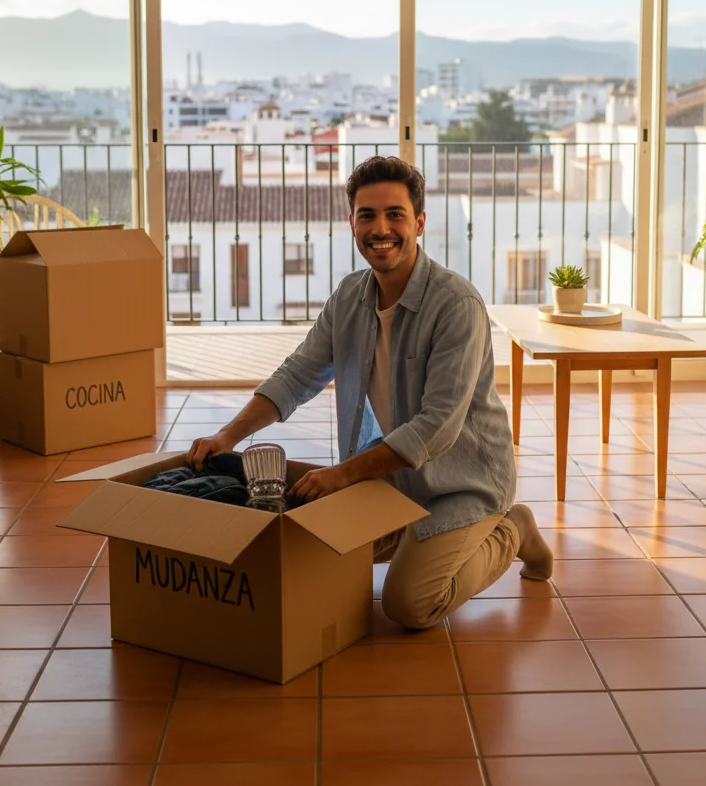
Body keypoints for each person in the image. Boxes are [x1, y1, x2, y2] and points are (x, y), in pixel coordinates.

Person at [188, 155, 553, 630]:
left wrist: (342, 475)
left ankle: (511, 529)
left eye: (395, 214)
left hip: (460, 483)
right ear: (352, 224)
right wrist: (228, 435)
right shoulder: (349, 297)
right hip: (391, 477)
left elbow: (437, 426)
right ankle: (417, 539)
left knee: (408, 605)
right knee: (303, 549)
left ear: (419, 223)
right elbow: (298, 375)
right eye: (367, 216)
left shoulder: (456, 305)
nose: (381, 229)